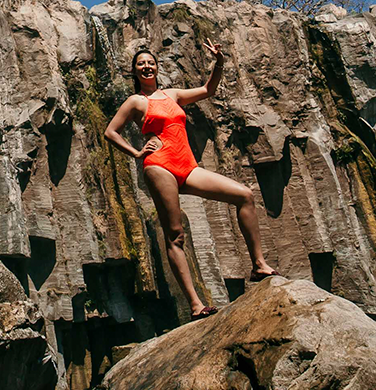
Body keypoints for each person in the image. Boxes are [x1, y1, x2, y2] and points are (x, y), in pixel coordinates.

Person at [104, 42, 280, 320]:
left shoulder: (172, 94)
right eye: (141, 64)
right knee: (176, 235)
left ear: (157, 67)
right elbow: (111, 132)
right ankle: (196, 305)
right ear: (135, 72)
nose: (147, 66)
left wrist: (219, 62)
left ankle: (259, 265)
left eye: (151, 62)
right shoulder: (136, 101)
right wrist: (137, 152)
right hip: (159, 165)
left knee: (244, 195)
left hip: (187, 164)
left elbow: (208, 90)